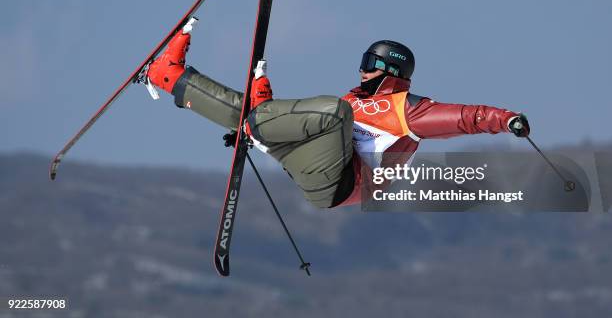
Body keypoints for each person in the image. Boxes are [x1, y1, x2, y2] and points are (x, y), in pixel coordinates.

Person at [147, 20, 530, 209]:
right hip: (311, 163)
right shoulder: (356, 98)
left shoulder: (409, 111)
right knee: (246, 111)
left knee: (333, 112)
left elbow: (468, 117)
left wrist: (507, 119)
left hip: (342, 184)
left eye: (370, 63)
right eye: (363, 61)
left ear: (391, 72)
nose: (362, 71)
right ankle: (168, 75)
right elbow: (304, 123)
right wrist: (262, 116)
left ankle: (257, 120)